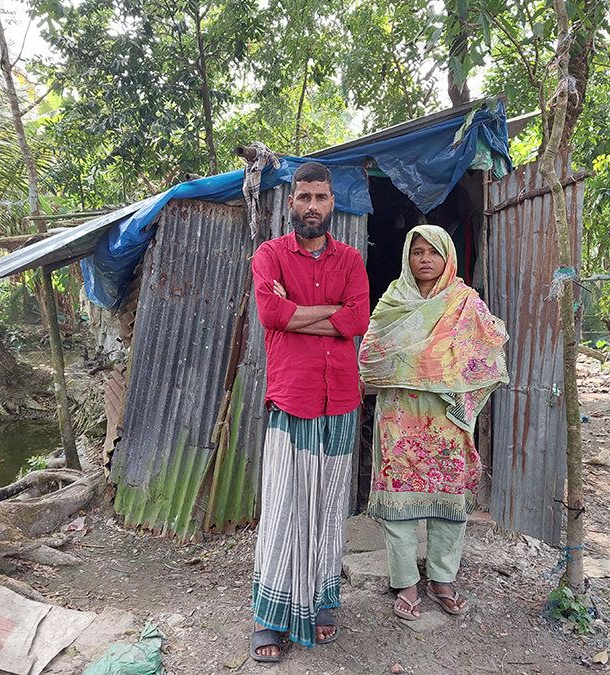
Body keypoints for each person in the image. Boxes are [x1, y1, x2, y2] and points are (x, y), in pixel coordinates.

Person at [247, 161, 370, 662]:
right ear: (290, 201)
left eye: (321, 197)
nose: (313, 206)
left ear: (332, 202)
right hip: (292, 399)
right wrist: (329, 315)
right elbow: (271, 314)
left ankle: (320, 603)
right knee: (282, 508)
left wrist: (299, 316)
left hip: (339, 399)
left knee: (327, 508)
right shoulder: (270, 255)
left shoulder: (351, 261)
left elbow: (358, 317)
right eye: (304, 197)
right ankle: (268, 617)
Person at [358, 224, 509, 620]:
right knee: (398, 499)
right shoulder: (394, 298)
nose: (424, 259)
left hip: (446, 417)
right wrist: (423, 361)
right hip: (400, 414)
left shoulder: (464, 302)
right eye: (417, 252)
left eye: (433, 252)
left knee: (448, 499)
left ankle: (443, 577)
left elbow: (489, 350)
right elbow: (371, 353)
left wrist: (436, 362)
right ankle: (406, 581)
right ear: (408, 257)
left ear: (448, 257)